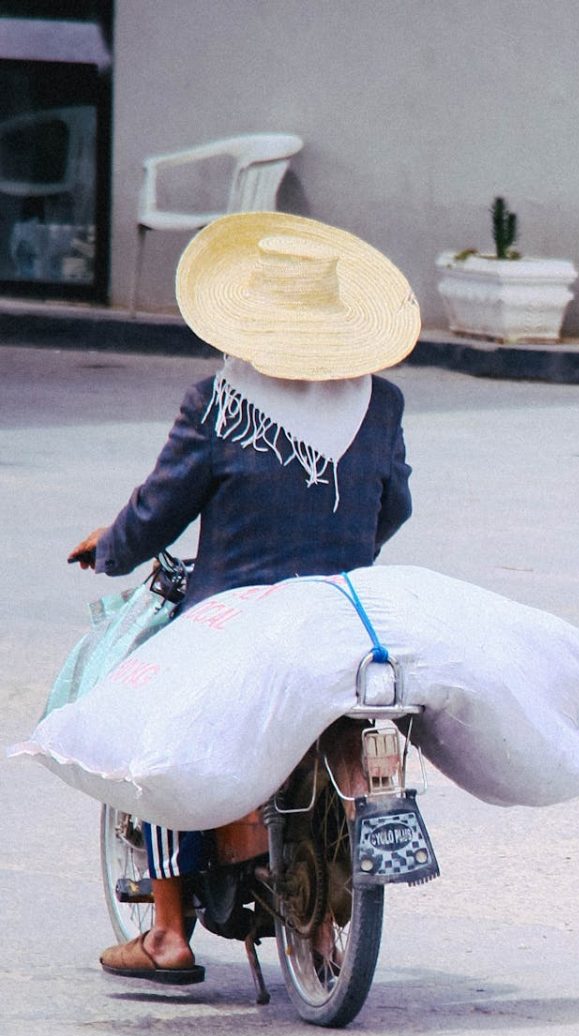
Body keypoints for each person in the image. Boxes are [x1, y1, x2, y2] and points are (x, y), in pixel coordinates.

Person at [68, 210, 420, 985]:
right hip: (343, 614)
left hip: (231, 617)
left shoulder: (220, 405)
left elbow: (159, 510)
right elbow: (392, 508)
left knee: (150, 729)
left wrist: (111, 547)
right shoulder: (381, 403)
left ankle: (165, 932)